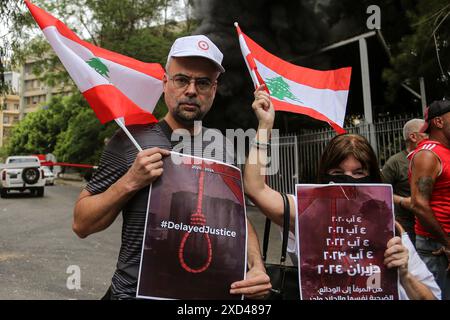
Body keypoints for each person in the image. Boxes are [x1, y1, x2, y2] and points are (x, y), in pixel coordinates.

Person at [73, 35, 271, 300]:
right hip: (134, 294)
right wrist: (130, 181)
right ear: (166, 83)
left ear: (214, 89)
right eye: (182, 80)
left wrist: (256, 266)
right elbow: (81, 224)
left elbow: (238, 221)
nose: (191, 90)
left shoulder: (222, 147)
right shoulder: (130, 140)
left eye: (202, 82)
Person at [243, 84, 441, 300]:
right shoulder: (308, 214)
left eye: (358, 173)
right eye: (338, 172)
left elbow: (431, 297)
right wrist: (265, 124)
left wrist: (404, 274)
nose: (348, 181)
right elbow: (255, 188)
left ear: (372, 176)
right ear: (325, 175)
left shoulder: (390, 229)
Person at [408, 98, 450, 300]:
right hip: (437, 247)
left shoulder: (445, 152)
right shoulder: (428, 155)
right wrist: (446, 242)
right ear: (439, 122)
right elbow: (419, 204)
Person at [382, 119, 428, 244]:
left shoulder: (433, 158)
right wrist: (402, 201)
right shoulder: (395, 162)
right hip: (407, 226)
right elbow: (380, 192)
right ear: (413, 137)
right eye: (426, 133)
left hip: (431, 225)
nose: (430, 136)